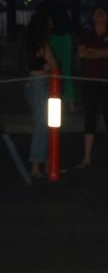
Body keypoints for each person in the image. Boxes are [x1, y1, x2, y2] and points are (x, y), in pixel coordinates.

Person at [77, 7, 108, 169]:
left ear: (107, 18)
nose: (99, 15)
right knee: (90, 118)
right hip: (89, 82)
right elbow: (81, 54)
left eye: (103, 13)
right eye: (97, 13)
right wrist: (102, 52)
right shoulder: (86, 34)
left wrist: (92, 51)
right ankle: (87, 158)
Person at [24, 12, 59, 178]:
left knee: (43, 124)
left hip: (32, 83)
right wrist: (48, 66)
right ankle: (37, 165)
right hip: (39, 84)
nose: (52, 26)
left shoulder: (28, 43)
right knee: (42, 125)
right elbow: (53, 64)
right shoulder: (42, 44)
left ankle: (43, 163)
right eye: (50, 23)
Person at [33, 0, 76, 111]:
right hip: (66, 37)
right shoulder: (60, 4)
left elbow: (44, 24)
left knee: (53, 69)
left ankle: (54, 100)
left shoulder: (43, 5)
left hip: (54, 38)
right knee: (67, 70)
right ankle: (70, 101)